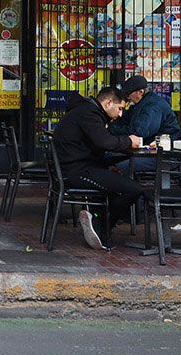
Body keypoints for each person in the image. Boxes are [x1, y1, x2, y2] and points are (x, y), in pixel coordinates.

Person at [52, 87, 144, 250]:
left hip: (75, 168)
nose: (120, 114)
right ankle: (102, 222)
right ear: (108, 103)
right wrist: (129, 141)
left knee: (119, 183)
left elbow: (91, 147)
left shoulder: (86, 111)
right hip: (75, 172)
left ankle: (98, 221)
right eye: (120, 108)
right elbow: (104, 142)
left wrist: (107, 166)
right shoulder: (89, 114)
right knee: (134, 189)